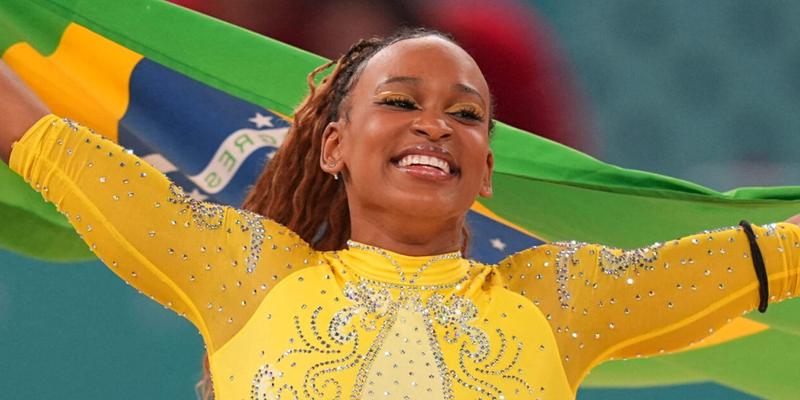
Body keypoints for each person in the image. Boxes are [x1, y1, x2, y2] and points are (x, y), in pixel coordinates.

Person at [1, 29, 798, 400]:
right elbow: (44, 143)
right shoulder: (242, 272)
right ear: (334, 145)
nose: (435, 124)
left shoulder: (559, 301)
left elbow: (770, 253)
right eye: (400, 101)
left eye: (467, 114)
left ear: (485, 172)